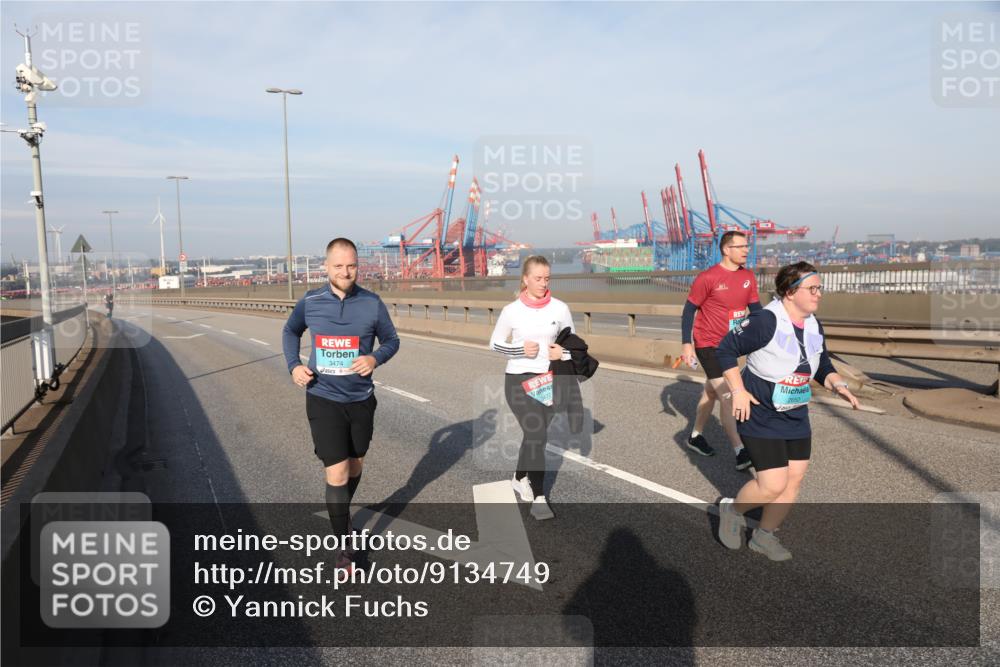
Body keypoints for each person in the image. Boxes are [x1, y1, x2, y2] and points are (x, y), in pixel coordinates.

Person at [715, 261, 859, 561]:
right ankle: (732, 509)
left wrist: (837, 384)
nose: (819, 294)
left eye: (820, 288)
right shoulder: (765, 321)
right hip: (761, 412)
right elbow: (725, 349)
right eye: (813, 288)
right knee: (772, 485)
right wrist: (738, 391)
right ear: (791, 292)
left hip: (795, 412)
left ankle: (763, 537)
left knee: (793, 480)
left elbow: (822, 365)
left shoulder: (813, 323)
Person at [282, 238, 400, 568]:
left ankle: (341, 512)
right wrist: (294, 365)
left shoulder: (372, 304)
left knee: (355, 465)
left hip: (361, 399)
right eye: (338, 266)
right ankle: (345, 549)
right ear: (326, 267)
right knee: (336, 472)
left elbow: (392, 341)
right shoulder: (311, 301)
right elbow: (291, 331)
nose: (345, 272)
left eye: (351, 266)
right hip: (323, 398)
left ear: (357, 267)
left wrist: (375, 359)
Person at [490, 255, 574, 520]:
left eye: (547, 278)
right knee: (537, 432)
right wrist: (518, 348)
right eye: (537, 278)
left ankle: (518, 477)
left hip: (547, 380)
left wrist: (564, 353)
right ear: (525, 279)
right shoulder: (511, 310)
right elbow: (494, 343)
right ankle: (539, 496)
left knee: (533, 435)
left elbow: (574, 346)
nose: (543, 283)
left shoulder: (560, 309)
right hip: (517, 378)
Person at [680, 230, 760, 471]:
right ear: (726, 249)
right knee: (728, 393)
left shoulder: (748, 277)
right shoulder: (708, 277)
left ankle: (695, 436)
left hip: (731, 345)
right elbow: (689, 311)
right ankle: (740, 451)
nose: (746, 250)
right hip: (708, 344)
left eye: (747, 246)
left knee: (712, 391)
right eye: (741, 246)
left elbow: (756, 310)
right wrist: (687, 344)